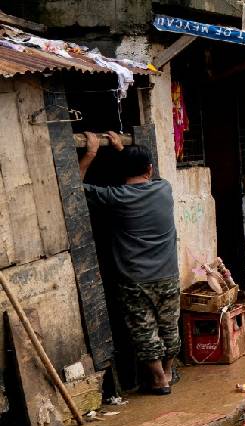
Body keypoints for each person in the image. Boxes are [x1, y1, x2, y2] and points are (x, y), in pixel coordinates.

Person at [79, 131, 179, 395]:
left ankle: (159, 380)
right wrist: (123, 151)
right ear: (150, 169)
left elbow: (74, 189)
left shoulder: (115, 197)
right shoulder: (164, 189)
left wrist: (90, 153)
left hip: (134, 279)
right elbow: (141, 175)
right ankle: (168, 372)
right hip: (168, 273)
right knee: (168, 326)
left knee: (144, 329)